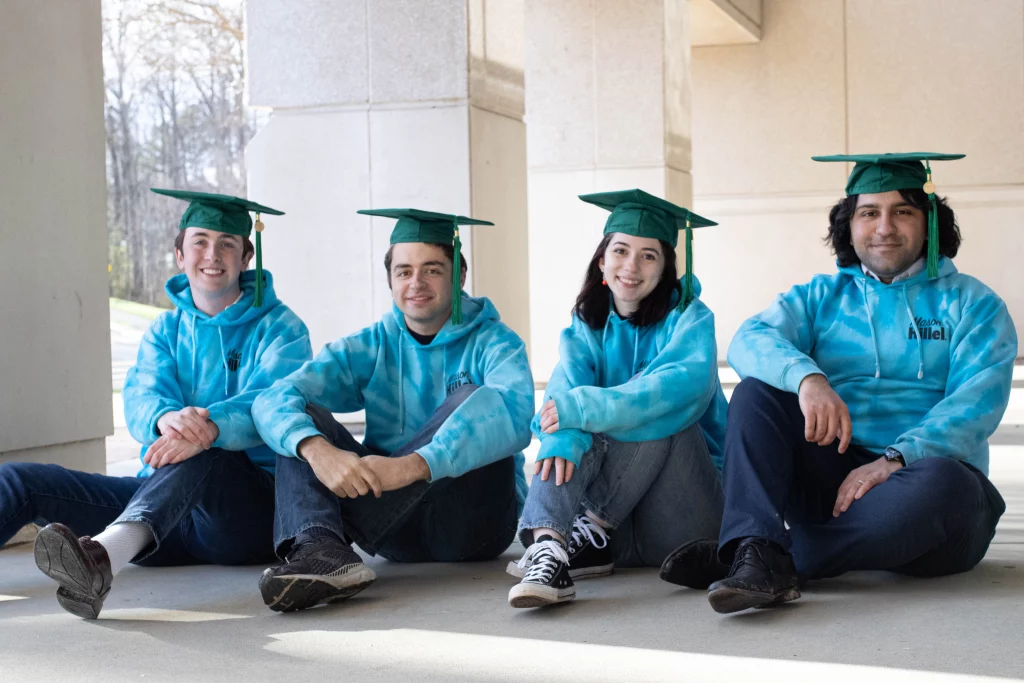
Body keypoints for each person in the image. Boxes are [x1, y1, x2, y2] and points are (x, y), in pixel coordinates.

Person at [663, 153, 1015, 614]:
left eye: (902, 211)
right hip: (836, 479)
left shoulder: (974, 304)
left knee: (947, 482)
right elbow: (750, 339)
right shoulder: (819, 297)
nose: (884, 227)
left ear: (930, 223)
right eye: (869, 212)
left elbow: (977, 403)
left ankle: (762, 556)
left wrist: (897, 458)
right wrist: (807, 378)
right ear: (849, 225)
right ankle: (755, 543)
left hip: (925, 492)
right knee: (757, 393)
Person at [1, 189, 311, 619]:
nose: (212, 254)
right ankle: (121, 541)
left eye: (227, 243)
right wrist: (167, 417)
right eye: (200, 241)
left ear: (246, 257)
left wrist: (211, 425)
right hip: (162, 507)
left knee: (208, 451)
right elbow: (142, 393)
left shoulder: (282, 328)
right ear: (180, 255)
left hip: (244, 513)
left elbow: (273, 402)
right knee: (19, 481)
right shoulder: (165, 329)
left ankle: (103, 557)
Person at [253, 208, 534, 612]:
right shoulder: (371, 344)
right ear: (390, 280)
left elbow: (516, 411)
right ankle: (321, 550)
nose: (415, 283)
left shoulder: (495, 342)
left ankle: (333, 546)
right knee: (302, 421)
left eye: (432, 270)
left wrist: (413, 465)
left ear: (459, 276)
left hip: (473, 528)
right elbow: (274, 398)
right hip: (392, 533)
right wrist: (318, 450)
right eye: (403, 271)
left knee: (473, 398)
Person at [507, 189, 728, 608]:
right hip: (614, 534)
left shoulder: (691, 319)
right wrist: (561, 437)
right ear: (602, 261)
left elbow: (678, 389)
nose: (631, 265)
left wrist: (582, 408)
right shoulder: (585, 325)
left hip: (690, 524)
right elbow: (564, 392)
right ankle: (550, 548)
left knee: (657, 407)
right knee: (568, 426)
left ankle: (586, 525)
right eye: (621, 251)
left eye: (649, 256)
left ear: (665, 269)